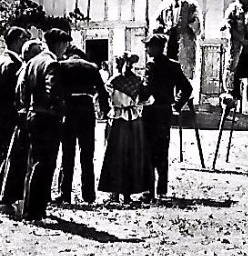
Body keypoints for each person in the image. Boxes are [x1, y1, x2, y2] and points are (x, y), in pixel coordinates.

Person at [139, 34, 193, 202]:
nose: (147, 49)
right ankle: (162, 190)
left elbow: (147, 89)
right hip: (165, 112)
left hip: (151, 112)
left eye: (148, 46)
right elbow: (187, 88)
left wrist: (138, 92)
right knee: (162, 150)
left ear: (156, 47)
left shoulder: (151, 65)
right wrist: (176, 105)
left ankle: (149, 191)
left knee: (148, 151)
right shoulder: (174, 66)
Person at [56, 46, 110, 205]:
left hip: (69, 109)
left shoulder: (62, 66)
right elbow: (102, 92)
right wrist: (105, 111)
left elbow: (57, 89)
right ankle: (89, 195)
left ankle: (65, 193)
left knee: (67, 154)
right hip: (87, 110)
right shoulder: (92, 67)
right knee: (87, 154)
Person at [0, 26, 30, 205]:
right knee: (12, 158)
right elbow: (18, 95)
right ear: (18, 40)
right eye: (24, 39)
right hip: (11, 116)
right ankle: (7, 198)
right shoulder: (15, 65)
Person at [0, 38, 45, 212]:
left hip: (20, 118)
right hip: (25, 119)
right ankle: (16, 200)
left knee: (16, 160)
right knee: (21, 161)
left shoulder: (23, 69)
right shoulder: (27, 71)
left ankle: (11, 199)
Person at [20, 37, 64, 221]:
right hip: (47, 118)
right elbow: (52, 90)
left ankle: (31, 208)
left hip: (32, 114)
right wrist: (58, 108)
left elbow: (22, 88)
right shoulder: (52, 63)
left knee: (35, 162)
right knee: (45, 164)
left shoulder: (32, 63)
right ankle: (35, 210)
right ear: (59, 45)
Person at [99, 54, 151, 204]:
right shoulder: (138, 81)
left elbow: (104, 96)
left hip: (117, 120)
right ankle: (127, 194)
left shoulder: (113, 81)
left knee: (115, 156)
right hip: (134, 120)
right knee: (131, 156)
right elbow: (147, 99)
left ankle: (115, 193)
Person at [154, 0, 202, 80]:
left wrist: (189, 25)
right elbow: (157, 21)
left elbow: (197, 25)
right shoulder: (165, 6)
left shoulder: (190, 5)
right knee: (168, 65)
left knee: (185, 66)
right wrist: (162, 29)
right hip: (170, 39)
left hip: (184, 39)